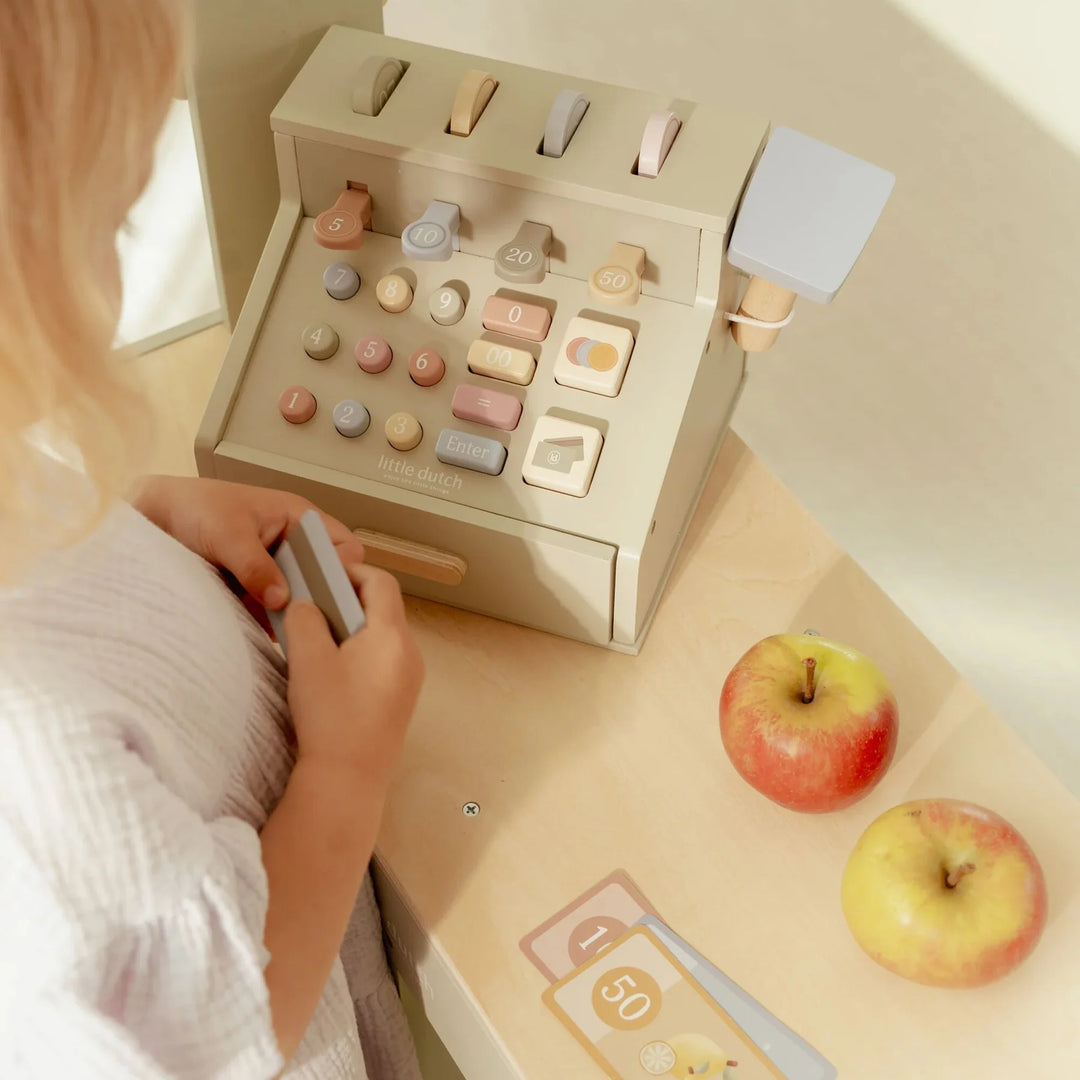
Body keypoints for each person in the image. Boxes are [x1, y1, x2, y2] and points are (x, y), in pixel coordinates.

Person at [0, 2, 426, 1077]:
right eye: (112, 224)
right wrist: (344, 768)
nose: (121, 265)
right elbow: (221, 1029)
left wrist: (141, 511)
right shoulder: (31, 764)